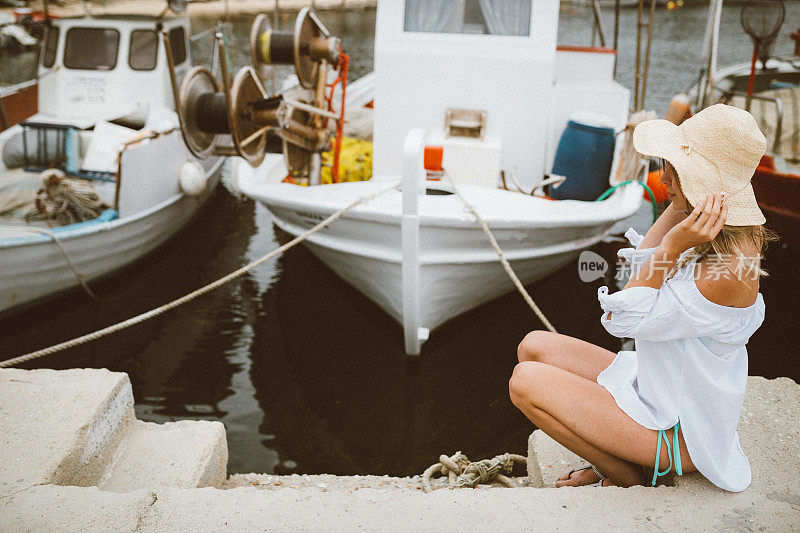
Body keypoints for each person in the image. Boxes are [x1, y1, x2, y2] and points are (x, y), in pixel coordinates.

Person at [509, 104, 773, 491]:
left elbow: (624, 320)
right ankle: (621, 456)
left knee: (525, 382)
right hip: (658, 388)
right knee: (533, 346)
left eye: (674, 170)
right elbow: (641, 280)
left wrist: (672, 245)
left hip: (679, 433)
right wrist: (678, 212)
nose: (663, 176)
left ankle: (623, 474)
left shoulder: (730, 268)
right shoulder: (717, 225)